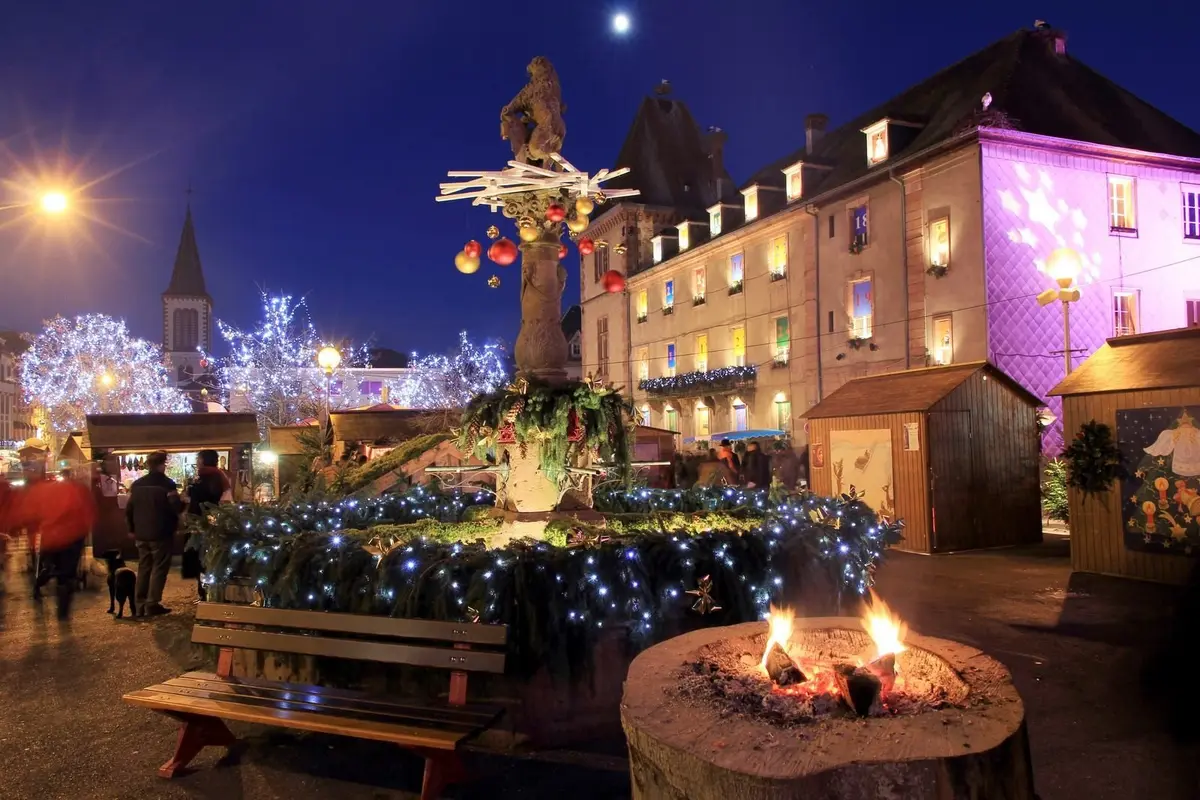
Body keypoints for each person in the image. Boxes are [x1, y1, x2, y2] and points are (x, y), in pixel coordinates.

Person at [126, 451, 182, 617]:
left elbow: (129, 509)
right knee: (159, 567)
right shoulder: (167, 484)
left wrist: (131, 529)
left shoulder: (136, 485)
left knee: (144, 566)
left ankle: (139, 601)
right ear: (160, 464)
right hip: (161, 532)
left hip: (141, 533)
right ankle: (152, 603)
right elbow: (176, 507)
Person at [183, 450, 229, 602]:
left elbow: (191, 499)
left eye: (198, 458)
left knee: (201, 558)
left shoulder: (202, 478)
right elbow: (226, 500)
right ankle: (208, 592)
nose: (197, 461)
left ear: (203, 460)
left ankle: (205, 593)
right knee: (211, 557)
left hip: (200, 523)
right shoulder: (220, 477)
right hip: (212, 521)